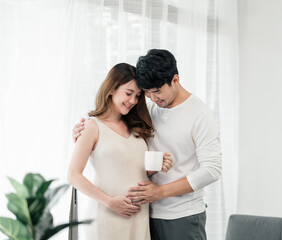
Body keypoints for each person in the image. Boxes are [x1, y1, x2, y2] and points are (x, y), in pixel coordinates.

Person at [73, 49, 222, 240]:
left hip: (181, 215)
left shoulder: (201, 115)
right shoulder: (149, 109)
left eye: (157, 91)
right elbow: (114, 137)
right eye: (147, 93)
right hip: (144, 215)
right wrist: (81, 131)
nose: (152, 98)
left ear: (175, 80)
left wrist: (159, 192)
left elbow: (212, 170)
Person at [67, 63, 173, 240]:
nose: (133, 101)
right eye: (128, 93)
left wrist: (155, 168)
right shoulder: (92, 126)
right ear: (111, 90)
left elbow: (129, 169)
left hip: (139, 217)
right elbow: (73, 175)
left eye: (138, 96)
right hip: (107, 216)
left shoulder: (136, 128)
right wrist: (109, 202)